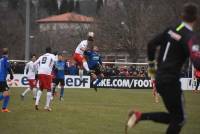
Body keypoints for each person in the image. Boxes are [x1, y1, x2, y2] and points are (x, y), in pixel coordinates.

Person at [125, 3, 200, 134]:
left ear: (182, 15)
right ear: (196, 18)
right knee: (180, 119)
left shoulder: (171, 29)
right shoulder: (190, 37)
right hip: (171, 80)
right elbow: (197, 62)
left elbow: (151, 44)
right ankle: (139, 116)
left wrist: (152, 70)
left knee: (175, 117)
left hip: (160, 78)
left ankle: (139, 116)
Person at [34, 47, 56, 111]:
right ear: (50, 51)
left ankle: (36, 103)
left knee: (41, 88)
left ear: (45, 51)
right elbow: (56, 61)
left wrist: (38, 71)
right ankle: (47, 106)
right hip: (47, 74)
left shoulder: (41, 56)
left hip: (40, 73)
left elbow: (34, 64)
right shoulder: (52, 55)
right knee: (49, 89)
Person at [0, 48, 14, 112]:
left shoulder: (1, 60)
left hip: (2, 79)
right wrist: (11, 75)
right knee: (6, 93)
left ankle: (4, 108)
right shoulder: (6, 59)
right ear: (7, 54)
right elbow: (8, 68)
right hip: (2, 79)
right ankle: (4, 108)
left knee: (7, 94)